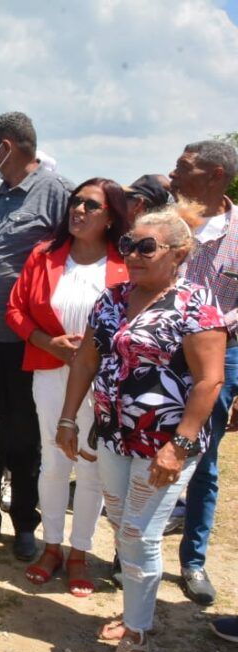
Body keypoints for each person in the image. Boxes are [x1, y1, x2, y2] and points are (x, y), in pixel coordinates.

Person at [57, 203, 225, 652]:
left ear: (179, 252)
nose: (132, 254)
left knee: (138, 532)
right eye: (128, 245)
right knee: (121, 522)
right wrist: (69, 419)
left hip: (165, 444)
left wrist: (180, 446)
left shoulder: (196, 306)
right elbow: (86, 361)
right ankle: (137, 609)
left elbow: (208, 382)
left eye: (145, 246)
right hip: (113, 436)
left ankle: (136, 632)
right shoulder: (112, 298)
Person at [5, 178, 130, 596]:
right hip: (50, 369)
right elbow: (16, 310)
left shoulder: (125, 263)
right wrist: (48, 343)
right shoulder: (44, 256)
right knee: (54, 461)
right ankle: (52, 546)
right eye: (75, 202)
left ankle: (80, 552)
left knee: (92, 465)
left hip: (103, 380)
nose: (78, 209)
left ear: (110, 216)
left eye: (90, 205)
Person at [0, 111, 73, 561]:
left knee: (21, 436)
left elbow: (75, 254)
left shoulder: (55, 192)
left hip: (23, 341)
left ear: (6, 147)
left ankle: (24, 523)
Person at [169, 140, 238, 606]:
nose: (173, 174)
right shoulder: (169, 225)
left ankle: (192, 561)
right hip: (162, 352)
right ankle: (127, 552)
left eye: (184, 167)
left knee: (202, 462)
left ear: (215, 175)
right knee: (145, 450)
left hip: (222, 356)